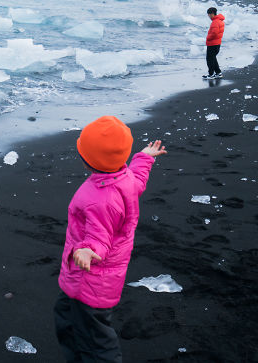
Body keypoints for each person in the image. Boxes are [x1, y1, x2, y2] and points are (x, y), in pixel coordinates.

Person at [54, 116, 167, 362]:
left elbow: (100, 237)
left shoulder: (100, 198)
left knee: (94, 338)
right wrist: (144, 157)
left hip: (89, 278)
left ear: (88, 160)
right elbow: (139, 177)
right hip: (92, 277)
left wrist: (88, 250)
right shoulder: (124, 178)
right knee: (67, 318)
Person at [204, 6, 224, 79]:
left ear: (212, 14)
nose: (208, 16)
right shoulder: (219, 21)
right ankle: (218, 73)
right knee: (213, 58)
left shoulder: (215, 22)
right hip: (217, 43)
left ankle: (211, 74)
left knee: (209, 59)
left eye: (209, 14)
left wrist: (208, 38)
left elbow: (214, 33)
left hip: (213, 43)